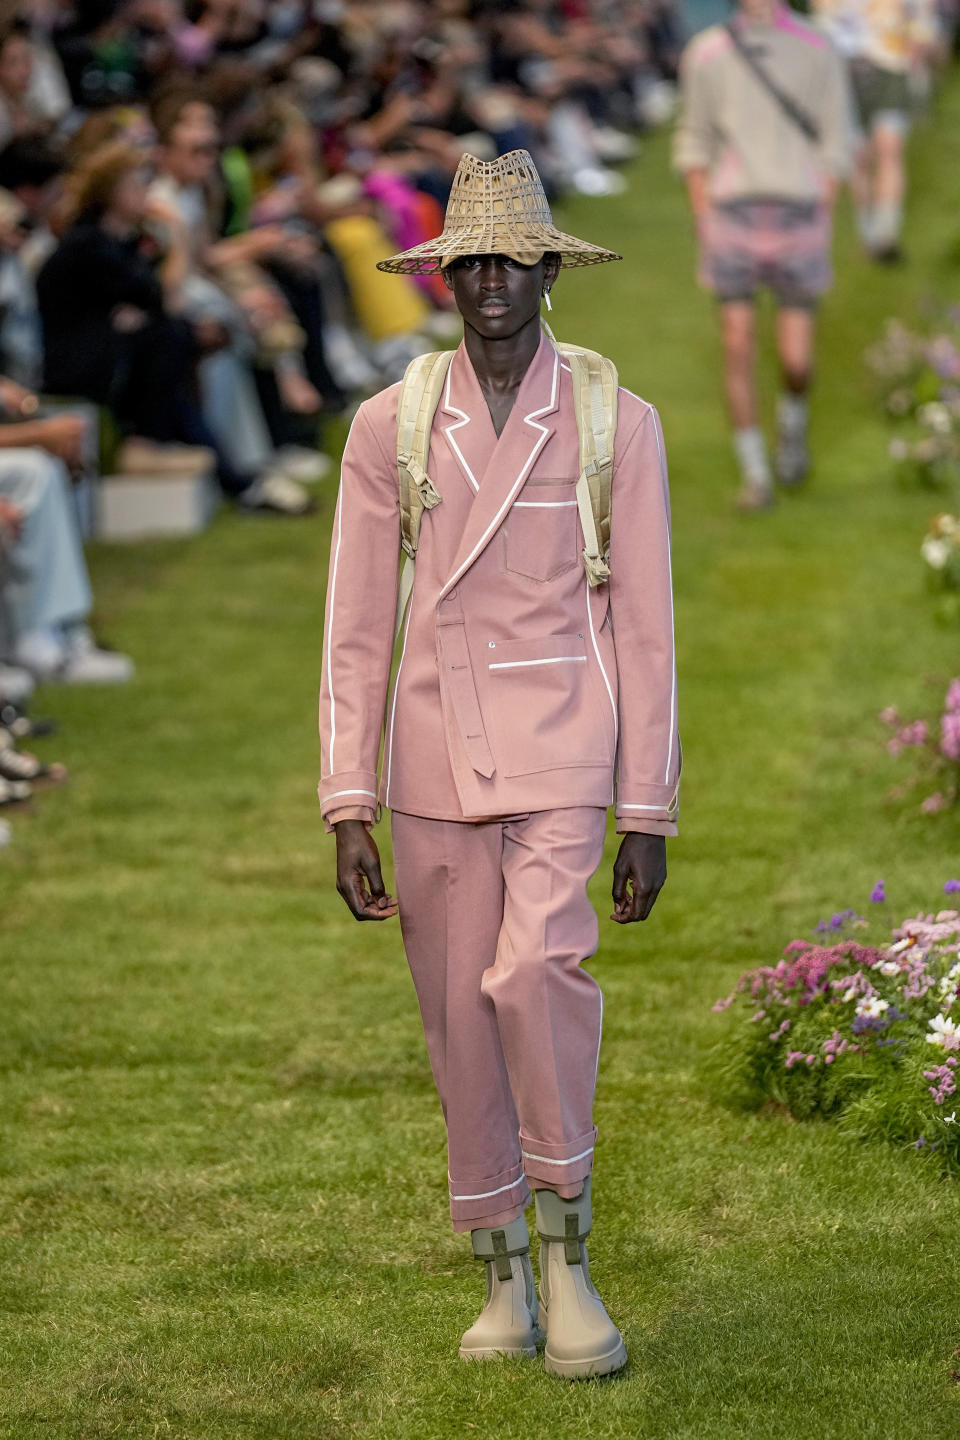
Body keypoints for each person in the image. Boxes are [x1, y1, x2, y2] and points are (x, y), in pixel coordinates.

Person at [318, 149, 679, 1379]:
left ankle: (570, 1248)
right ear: (444, 271)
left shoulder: (615, 420)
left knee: (537, 975)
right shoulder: (390, 423)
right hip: (429, 761)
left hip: (569, 745)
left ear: (546, 268)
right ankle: (503, 1274)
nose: (490, 282)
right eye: (468, 259)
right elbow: (356, 624)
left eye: (511, 260)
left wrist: (650, 807)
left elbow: (647, 626)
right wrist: (345, 797)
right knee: (456, 1021)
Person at [673, 0, 852, 509]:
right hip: (732, 217)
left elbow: (837, 134)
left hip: (799, 216)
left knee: (797, 359)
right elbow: (694, 140)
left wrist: (824, 206)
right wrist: (704, 214)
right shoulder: (707, 53)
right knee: (737, 343)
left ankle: (793, 425)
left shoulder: (818, 46)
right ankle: (755, 475)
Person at [811, 0, 939, 262]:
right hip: (846, 70)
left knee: (889, 147)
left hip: (891, 67)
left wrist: (916, 41)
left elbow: (922, 25)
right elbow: (821, 17)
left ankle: (886, 233)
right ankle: (867, 231)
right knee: (859, 155)